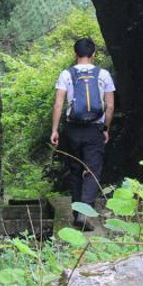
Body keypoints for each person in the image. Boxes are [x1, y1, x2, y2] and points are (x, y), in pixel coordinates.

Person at [50, 38, 115, 231]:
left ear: (74, 53)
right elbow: (110, 106)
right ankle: (84, 212)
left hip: (72, 129)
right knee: (93, 171)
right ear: (94, 53)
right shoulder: (103, 74)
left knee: (76, 169)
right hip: (94, 129)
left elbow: (59, 104)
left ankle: (77, 210)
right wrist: (106, 129)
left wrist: (54, 130)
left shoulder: (66, 74)